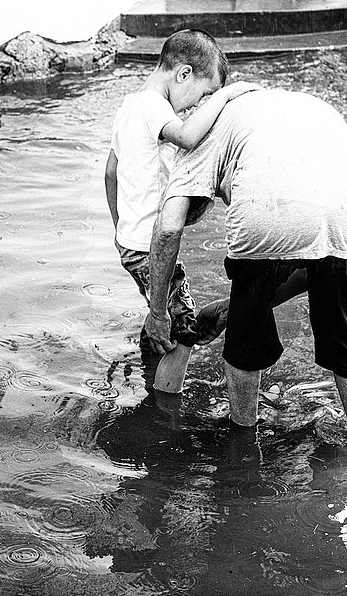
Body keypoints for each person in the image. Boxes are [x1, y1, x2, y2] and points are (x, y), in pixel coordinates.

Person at [144, 89, 347, 442]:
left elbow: (167, 228)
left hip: (271, 206)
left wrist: (158, 313)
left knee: (244, 339)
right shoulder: (298, 107)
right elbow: (312, 254)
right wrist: (236, 305)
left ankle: (243, 446)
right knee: (339, 332)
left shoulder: (198, 134)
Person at [105, 29, 257, 394]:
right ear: (183, 74)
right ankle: (163, 407)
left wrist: (120, 228)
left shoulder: (129, 106)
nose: (195, 106)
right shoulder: (153, 105)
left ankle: (147, 366)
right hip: (147, 246)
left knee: (166, 316)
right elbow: (188, 136)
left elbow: (110, 172)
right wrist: (225, 96)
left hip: (131, 241)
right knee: (183, 326)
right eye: (202, 94)